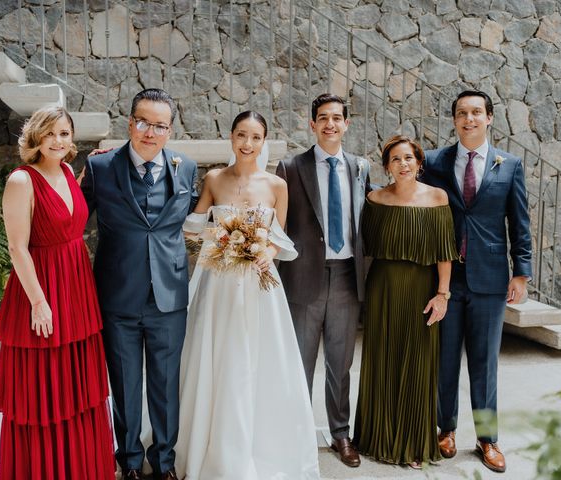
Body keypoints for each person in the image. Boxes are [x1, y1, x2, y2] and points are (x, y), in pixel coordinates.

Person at [175, 111, 320, 479]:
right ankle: (209, 447)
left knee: (256, 359)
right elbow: (193, 230)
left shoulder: (276, 185)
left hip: (258, 282)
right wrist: (220, 239)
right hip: (217, 280)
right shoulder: (213, 179)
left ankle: (258, 448)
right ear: (231, 137)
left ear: (264, 140)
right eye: (242, 135)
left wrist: (261, 253)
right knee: (216, 353)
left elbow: (280, 238)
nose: (247, 144)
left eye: (255, 137)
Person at [80, 89, 198, 480]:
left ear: (170, 130)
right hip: (118, 295)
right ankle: (129, 461)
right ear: (130, 123)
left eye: (160, 125)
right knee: (125, 384)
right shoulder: (100, 168)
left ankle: (164, 462)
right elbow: (73, 222)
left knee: (166, 386)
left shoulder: (186, 169)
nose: (151, 133)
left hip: (169, 295)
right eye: (143, 122)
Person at [0, 106, 114, 479]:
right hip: (41, 291)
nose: (58, 141)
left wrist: (87, 170)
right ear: (35, 137)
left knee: (77, 387)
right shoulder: (21, 181)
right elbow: (17, 248)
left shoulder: (64, 172)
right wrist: (39, 303)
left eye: (64, 133)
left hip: (76, 287)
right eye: (50, 134)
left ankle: (80, 467)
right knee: (45, 392)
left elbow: (64, 216)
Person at [422, 90, 532, 473]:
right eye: (461, 113)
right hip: (446, 277)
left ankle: (487, 439)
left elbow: (519, 223)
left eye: (476, 112)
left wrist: (521, 272)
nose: (468, 119)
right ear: (454, 120)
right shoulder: (435, 162)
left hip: (489, 280)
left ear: (489, 118)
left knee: (485, 364)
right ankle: (445, 429)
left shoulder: (510, 165)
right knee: (445, 358)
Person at [275, 93, 370, 467]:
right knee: (300, 362)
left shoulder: (360, 167)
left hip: (348, 275)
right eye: (323, 118)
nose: (330, 124)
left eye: (337, 117)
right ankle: (294, 432)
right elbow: (278, 225)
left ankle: (340, 433)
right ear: (312, 124)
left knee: (341, 362)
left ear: (347, 124)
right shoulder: (290, 167)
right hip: (303, 276)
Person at [352, 135, 458, 469]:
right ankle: (376, 438)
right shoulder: (375, 199)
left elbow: (445, 252)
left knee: (418, 362)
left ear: (419, 162)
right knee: (382, 359)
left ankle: (412, 444)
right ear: (387, 166)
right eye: (396, 159)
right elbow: (364, 250)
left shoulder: (437, 198)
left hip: (422, 291)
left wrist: (443, 295)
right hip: (383, 288)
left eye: (409, 158)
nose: (403, 164)